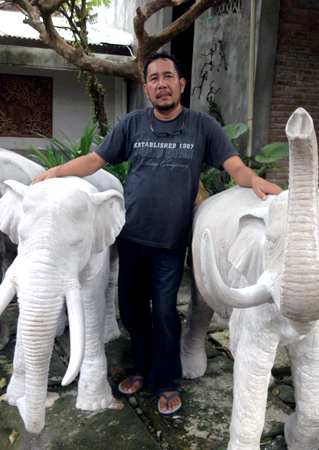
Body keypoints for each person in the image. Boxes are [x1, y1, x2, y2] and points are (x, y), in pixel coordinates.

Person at [33, 52, 282, 415]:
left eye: (168, 77)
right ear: (146, 87)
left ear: (181, 85)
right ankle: (142, 368)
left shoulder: (202, 127)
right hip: (131, 237)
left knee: (165, 313)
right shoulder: (133, 124)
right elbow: (95, 160)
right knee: (132, 312)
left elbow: (235, 168)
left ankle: (165, 381)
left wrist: (255, 180)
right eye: (154, 78)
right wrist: (56, 173)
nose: (161, 84)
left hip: (169, 244)